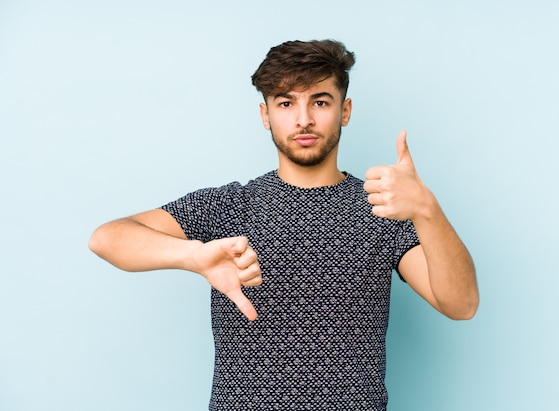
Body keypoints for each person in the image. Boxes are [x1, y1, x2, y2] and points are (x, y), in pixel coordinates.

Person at [89, 39, 479, 411]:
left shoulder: (383, 211)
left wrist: (428, 210)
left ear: (345, 111)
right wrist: (193, 256)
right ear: (266, 115)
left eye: (320, 101)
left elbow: (460, 305)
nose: (304, 119)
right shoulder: (228, 206)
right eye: (286, 102)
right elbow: (107, 238)